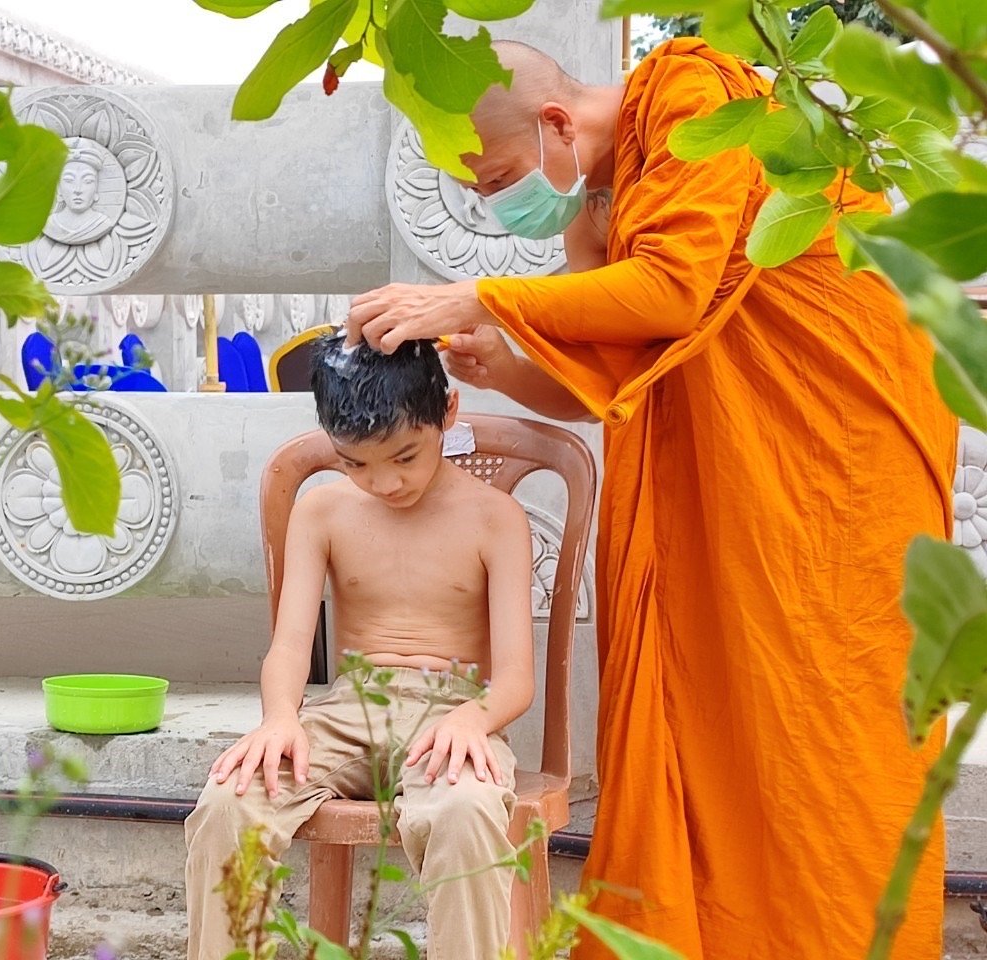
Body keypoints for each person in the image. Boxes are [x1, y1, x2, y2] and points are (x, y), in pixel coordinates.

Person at [347, 37, 957, 960]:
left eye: (498, 176)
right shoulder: (596, 205)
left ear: (555, 123)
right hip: (718, 484)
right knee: (718, 716)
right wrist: (506, 366)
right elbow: (600, 374)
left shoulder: (689, 94)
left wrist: (475, 300)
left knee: (827, 723)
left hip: (834, 467)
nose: (497, 202)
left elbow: (670, 292)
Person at [184, 334, 536, 960]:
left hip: (451, 714)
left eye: (405, 456)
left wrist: (473, 719)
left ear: (447, 413)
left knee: (467, 812)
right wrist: (279, 718)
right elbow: (291, 643)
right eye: (356, 462)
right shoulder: (321, 511)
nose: (385, 482)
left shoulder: (494, 518)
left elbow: (515, 678)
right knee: (228, 801)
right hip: (349, 706)